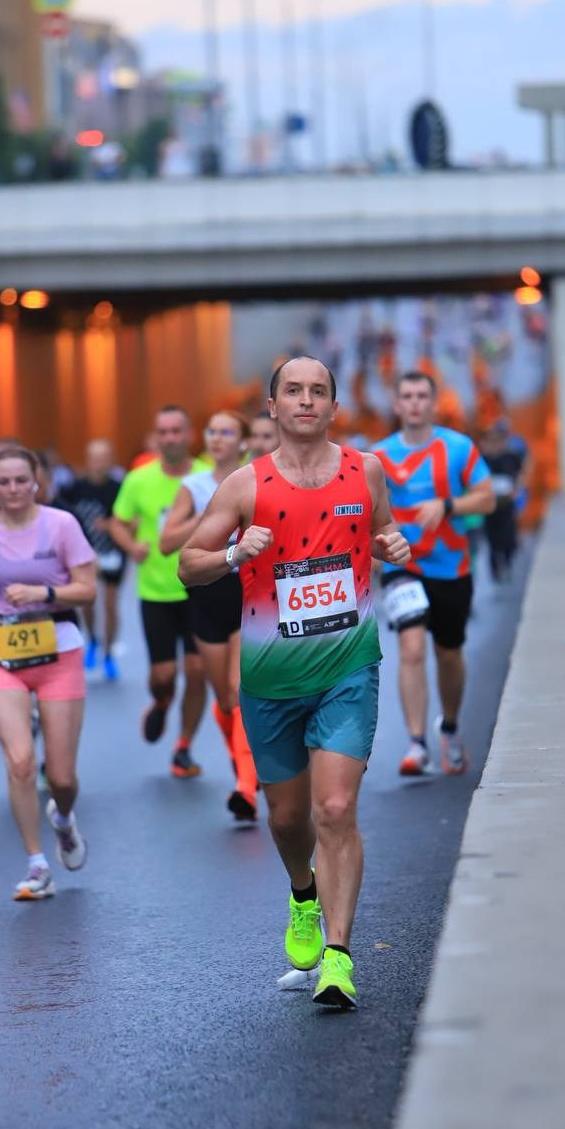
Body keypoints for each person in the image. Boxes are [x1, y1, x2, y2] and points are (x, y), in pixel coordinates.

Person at [179, 356, 410, 1010]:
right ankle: (302, 894)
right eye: (293, 391)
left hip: (346, 668)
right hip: (270, 680)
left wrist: (391, 544)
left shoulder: (363, 470)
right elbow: (187, 566)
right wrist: (230, 555)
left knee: (334, 809)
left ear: (333, 406)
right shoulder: (242, 486)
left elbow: (383, 527)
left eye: (318, 391)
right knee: (285, 816)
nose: (306, 400)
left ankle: (337, 957)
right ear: (273, 408)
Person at [0, 446, 96, 901]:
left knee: (62, 779)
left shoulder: (61, 524)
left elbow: (86, 590)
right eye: (2, 482)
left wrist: (44, 591)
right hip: (1, 650)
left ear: (36, 482)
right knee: (21, 762)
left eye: (20, 481)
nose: (11, 490)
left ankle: (63, 821)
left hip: (58, 649)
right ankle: (37, 863)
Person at [373, 370, 494, 778]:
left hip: (451, 566)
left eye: (422, 395)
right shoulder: (379, 457)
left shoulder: (458, 448)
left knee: (449, 653)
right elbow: (366, 511)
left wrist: (447, 506)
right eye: (406, 396)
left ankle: (451, 728)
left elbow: (488, 499)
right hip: (402, 565)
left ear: (434, 402)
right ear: (396, 404)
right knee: (410, 650)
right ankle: (416, 744)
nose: (414, 403)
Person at [160, 412, 259, 822]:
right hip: (207, 592)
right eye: (212, 431)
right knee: (223, 697)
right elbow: (166, 543)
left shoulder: (258, 478)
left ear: (243, 441)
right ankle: (243, 762)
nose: (218, 438)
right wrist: (211, 516)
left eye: (227, 432)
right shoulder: (194, 486)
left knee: (239, 690)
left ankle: (247, 788)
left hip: (247, 588)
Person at [111, 406, 207, 778]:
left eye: (176, 431)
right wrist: (130, 546)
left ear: (190, 434)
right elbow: (118, 523)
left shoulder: (206, 476)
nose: (170, 438)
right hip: (156, 591)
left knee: (197, 671)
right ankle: (162, 701)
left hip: (201, 589)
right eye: (163, 432)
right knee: (163, 675)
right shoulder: (139, 479)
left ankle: (184, 745)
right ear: (156, 437)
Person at [63, 439, 126, 680]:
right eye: (94, 458)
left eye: (104, 458)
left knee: (110, 604)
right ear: (88, 460)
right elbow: (62, 513)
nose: (99, 463)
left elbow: (132, 518)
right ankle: (93, 639)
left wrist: (112, 526)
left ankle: (109, 653)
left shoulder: (119, 487)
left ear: (111, 460)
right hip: (85, 552)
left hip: (112, 551)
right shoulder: (75, 487)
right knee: (87, 601)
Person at [479, 420, 524, 582]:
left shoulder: (510, 457)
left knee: (508, 534)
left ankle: (508, 560)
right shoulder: (482, 459)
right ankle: (495, 569)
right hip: (490, 504)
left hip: (507, 503)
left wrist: (517, 490)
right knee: (491, 537)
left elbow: (520, 474)